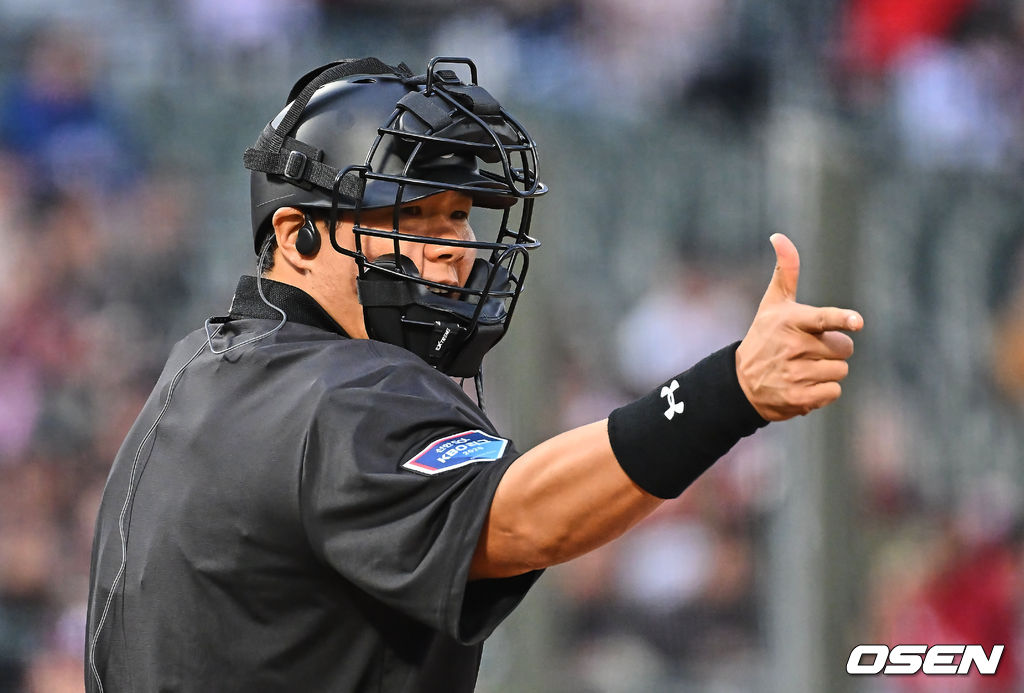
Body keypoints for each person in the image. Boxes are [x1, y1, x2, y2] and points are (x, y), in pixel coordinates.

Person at [85, 56, 863, 692]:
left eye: (458, 215)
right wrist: (730, 388)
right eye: (411, 215)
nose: (453, 246)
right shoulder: (347, 388)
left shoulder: (197, 366)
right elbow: (520, 516)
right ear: (297, 235)